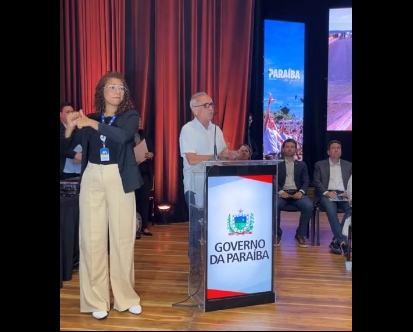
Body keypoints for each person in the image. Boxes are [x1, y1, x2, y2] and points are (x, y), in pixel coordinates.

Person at [64, 71, 144, 320]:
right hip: (92, 177)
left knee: (122, 238)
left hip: (118, 177)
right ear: (102, 91)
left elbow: (123, 137)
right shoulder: (89, 118)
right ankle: (95, 300)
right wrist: (69, 127)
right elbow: (69, 147)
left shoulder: (129, 116)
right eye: (112, 87)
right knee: (92, 239)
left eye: (122, 88)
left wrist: (91, 124)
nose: (118, 92)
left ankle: (126, 297)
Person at [179, 92, 239, 278]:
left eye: (212, 104)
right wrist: (217, 157)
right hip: (195, 185)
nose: (212, 108)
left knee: (215, 226)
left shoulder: (216, 130)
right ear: (195, 110)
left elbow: (223, 154)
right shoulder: (187, 129)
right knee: (196, 227)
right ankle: (195, 262)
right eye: (207, 105)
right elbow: (191, 158)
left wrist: (234, 154)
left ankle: (216, 259)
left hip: (215, 185)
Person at [313, 140, 352, 256]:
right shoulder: (319, 165)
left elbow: (351, 182)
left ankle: (337, 240)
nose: (336, 150)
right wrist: (326, 192)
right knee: (331, 209)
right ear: (328, 151)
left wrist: (349, 192)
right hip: (327, 194)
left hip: (343, 194)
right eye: (333, 148)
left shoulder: (349, 165)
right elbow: (316, 181)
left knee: (351, 207)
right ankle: (342, 241)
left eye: (338, 148)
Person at [276, 139, 313, 248]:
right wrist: (281, 191)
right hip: (282, 194)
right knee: (274, 205)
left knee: (308, 206)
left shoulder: (302, 165)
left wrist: (301, 192)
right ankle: (277, 234)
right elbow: (274, 180)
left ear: (296, 149)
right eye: (287, 146)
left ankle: (300, 234)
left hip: (297, 193)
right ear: (283, 149)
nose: (289, 149)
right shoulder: (277, 164)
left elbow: (306, 181)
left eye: (292, 147)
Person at [134, 123, 155, 237]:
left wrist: (151, 154)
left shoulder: (145, 136)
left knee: (144, 200)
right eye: (137, 121)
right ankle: (134, 227)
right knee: (134, 200)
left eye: (141, 121)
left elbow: (152, 150)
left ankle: (144, 226)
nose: (140, 124)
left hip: (145, 173)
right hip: (132, 173)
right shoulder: (126, 135)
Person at [60, 102, 82, 179]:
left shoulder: (79, 128)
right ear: (60, 114)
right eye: (67, 112)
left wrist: (82, 156)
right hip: (63, 171)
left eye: (72, 112)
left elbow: (85, 144)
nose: (70, 114)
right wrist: (74, 154)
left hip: (78, 169)